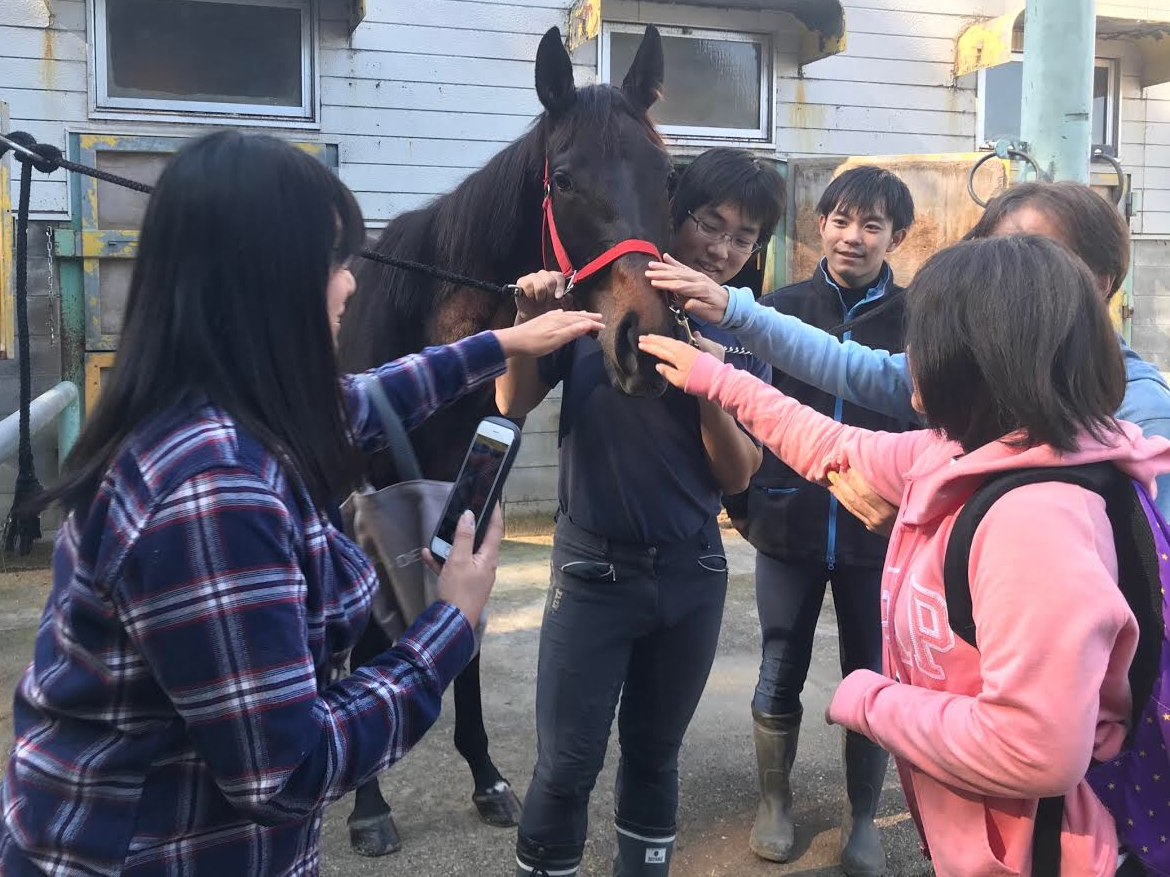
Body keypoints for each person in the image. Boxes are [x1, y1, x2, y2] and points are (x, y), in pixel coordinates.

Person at [0, 131, 603, 877]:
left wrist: (506, 338)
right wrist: (450, 622)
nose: (350, 284)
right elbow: (284, 772)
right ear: (267, 282)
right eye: (333, 262)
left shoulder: (221, 409)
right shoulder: (211, 495)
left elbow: (370, 397)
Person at [640, 233, 1167, 877]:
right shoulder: (964, 452)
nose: (906, 356)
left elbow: (1036, 750)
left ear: (979, 355)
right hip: (983, 839)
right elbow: (829, 443)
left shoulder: (1036, 520)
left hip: (1045, 854)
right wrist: (715, 379)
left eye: (924, 337)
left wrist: (871, 700)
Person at [496, 147, 782, 876]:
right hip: (592, 570)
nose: (720, 248)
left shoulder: (747, 335)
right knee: (566, 763)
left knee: (656, 755)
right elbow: (513, 401)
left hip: (693, 571)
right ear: (670, 217)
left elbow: (740, 474)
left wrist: (710, 384)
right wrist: (530, 322)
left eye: (742, 237)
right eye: (708, 224)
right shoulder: (603, 304)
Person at [651, 181, 1170, 529]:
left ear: (1098, 283)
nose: (1005, 274)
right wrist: (731, 329)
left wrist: (927, 526)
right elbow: (835, 424)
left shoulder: (1140, 419)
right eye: (993, 253)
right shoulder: (977, 379)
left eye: (1036, 254)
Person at [699, 166, 917, 874]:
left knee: (871, 676)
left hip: (877, 537)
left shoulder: (919, 321)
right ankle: (775, 801)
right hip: (789, 530)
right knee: (779, 665)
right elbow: (738, 406)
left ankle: (862, 820)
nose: (853, 237)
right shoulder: (777, 308)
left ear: (898, 237)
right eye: (841, 219)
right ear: (821, 223)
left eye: (872, 224)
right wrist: (751, 509)